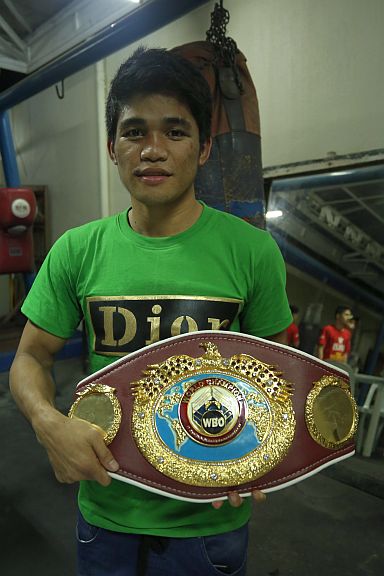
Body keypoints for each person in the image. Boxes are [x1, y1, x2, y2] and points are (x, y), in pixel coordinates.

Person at [9, 47, 292, 576]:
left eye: (175, 132)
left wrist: (264, 452)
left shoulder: (253, 251)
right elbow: (30, 357)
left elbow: (280, 371)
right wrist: (49, 423)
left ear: (206, 148)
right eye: (135, 131)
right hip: (106, 511)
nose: (153, 150)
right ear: (113, 146)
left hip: (208, 524)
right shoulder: (76, 249)